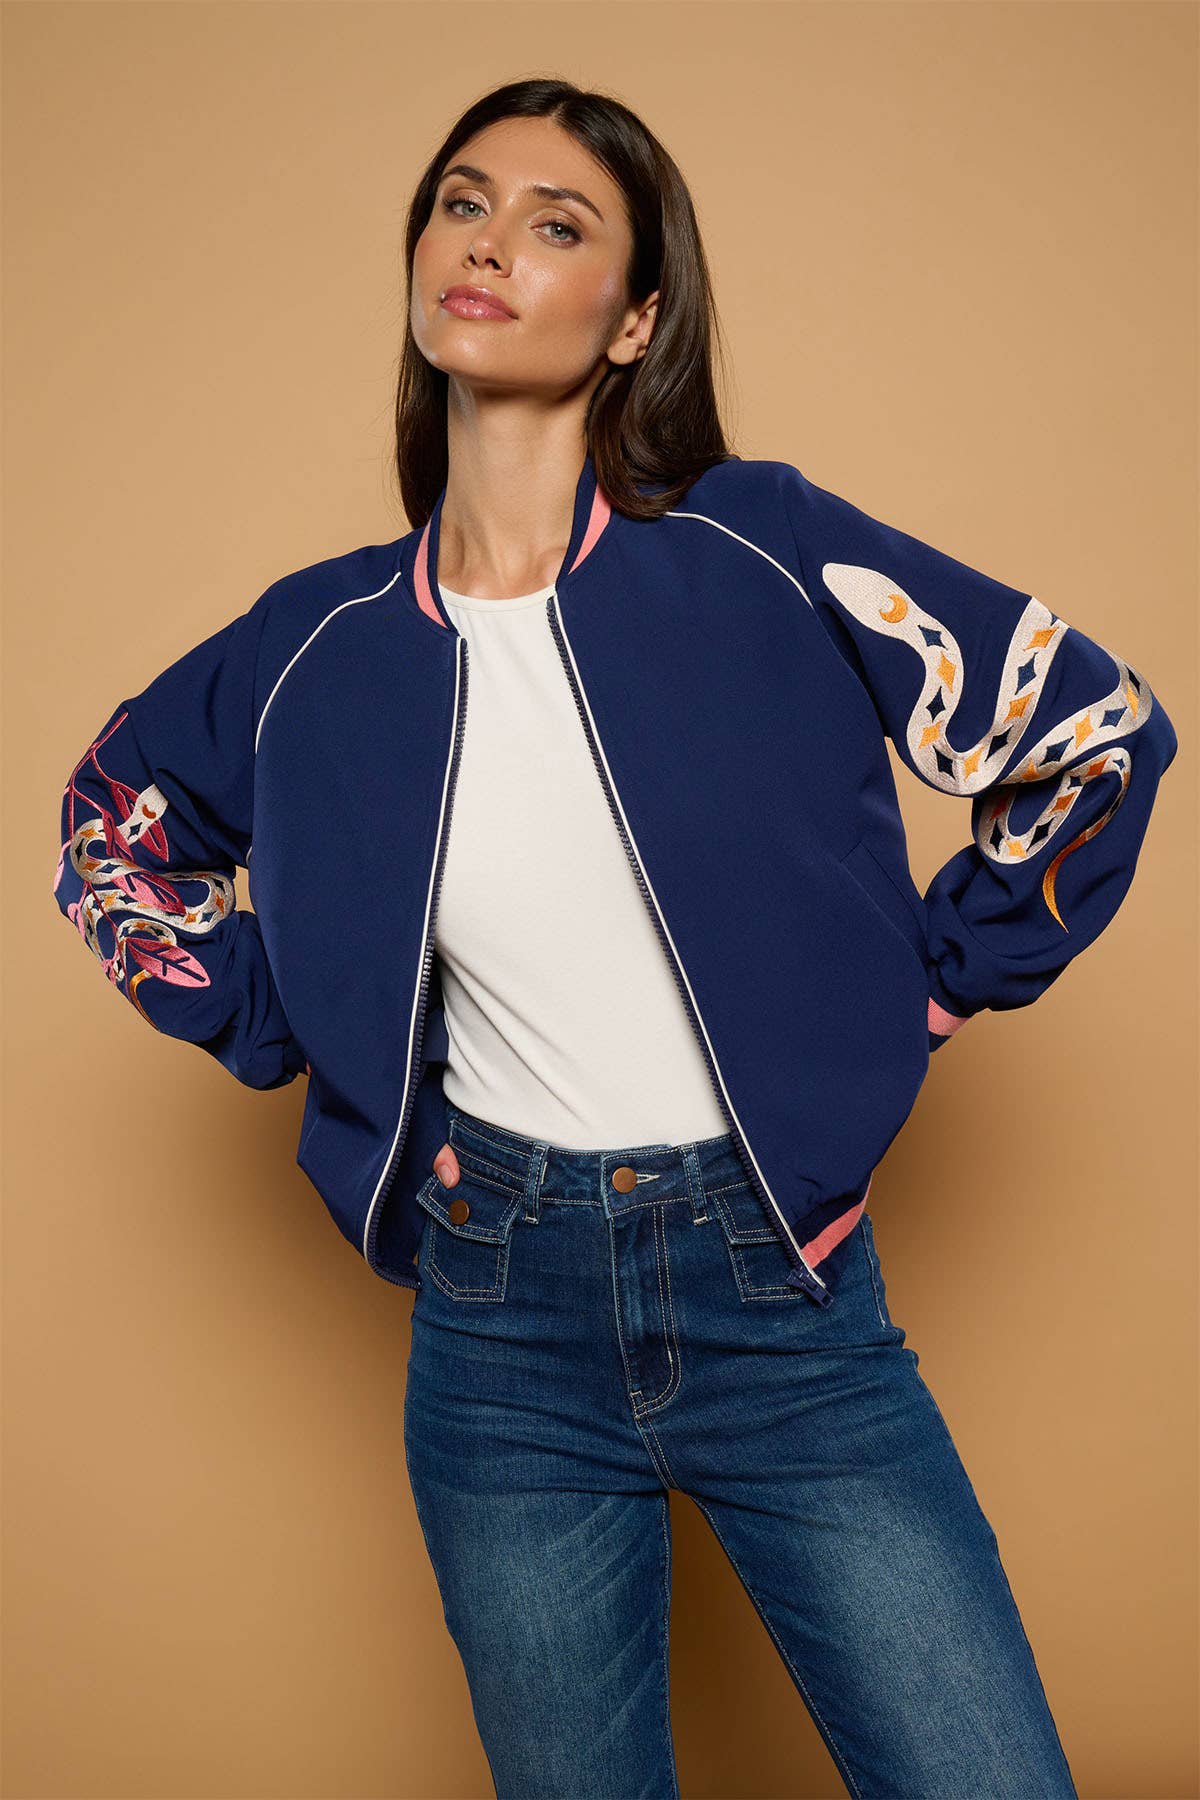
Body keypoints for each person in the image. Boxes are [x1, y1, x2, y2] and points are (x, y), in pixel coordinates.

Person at [52, 77, 1177, 1800]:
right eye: (461, 202)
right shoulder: (320, 645)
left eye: (556, 222)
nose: (489, 242)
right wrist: (302, 1038)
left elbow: (1093, 734)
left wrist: (921, 991)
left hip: (782, 1291)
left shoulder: (761, 549)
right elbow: (113, 824)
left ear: (636, 317)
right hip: (498, 1322)